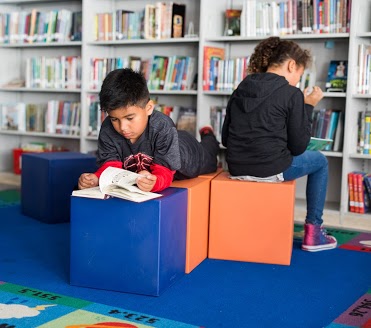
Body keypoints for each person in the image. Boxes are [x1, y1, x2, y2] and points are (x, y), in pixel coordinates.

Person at [221, 36, 337, 252]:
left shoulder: (240, 89)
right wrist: (308, 106)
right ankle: (314, 232)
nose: (297, 82)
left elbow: (226, 139)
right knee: (320, 161)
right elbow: (298, 147)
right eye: (299, 76)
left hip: (236, 168)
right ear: (292, 65)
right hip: (270, 169)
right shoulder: (291, 93)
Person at [78, 68, 219, 193]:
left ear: (149, 108)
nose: (123, 127)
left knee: (210, 153)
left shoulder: (162, 126)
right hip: (162, 145)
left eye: (130, 118)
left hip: (187, 151)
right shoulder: (108, 129)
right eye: (115, 119)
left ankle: (208, 134)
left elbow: (164, 172)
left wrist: (155, 182)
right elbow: (110, 165)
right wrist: (97, 178)